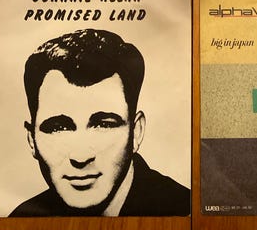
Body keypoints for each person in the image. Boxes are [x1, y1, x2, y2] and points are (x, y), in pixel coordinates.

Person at [10, 29, 190, 217]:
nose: (80, 157)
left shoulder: (183, 212)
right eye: (59, 128)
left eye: (104, 125)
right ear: (31, 139)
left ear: (136, 132)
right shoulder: (22, 219)